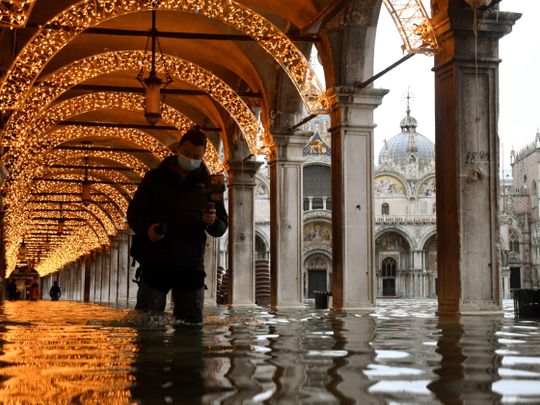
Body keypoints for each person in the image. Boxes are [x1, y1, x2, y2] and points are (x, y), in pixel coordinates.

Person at [127, 126, 228, 323]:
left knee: (191, 325)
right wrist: (147, 230)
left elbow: (221, 227)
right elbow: (134, 213)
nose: (191, 159)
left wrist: (213, 221)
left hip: (190, 264)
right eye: (187, 153)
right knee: (147, 323)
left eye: (196, 156)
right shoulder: (154, 179)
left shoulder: (211, 184)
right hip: (155, 260)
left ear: (203, 155)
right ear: (178, 149)